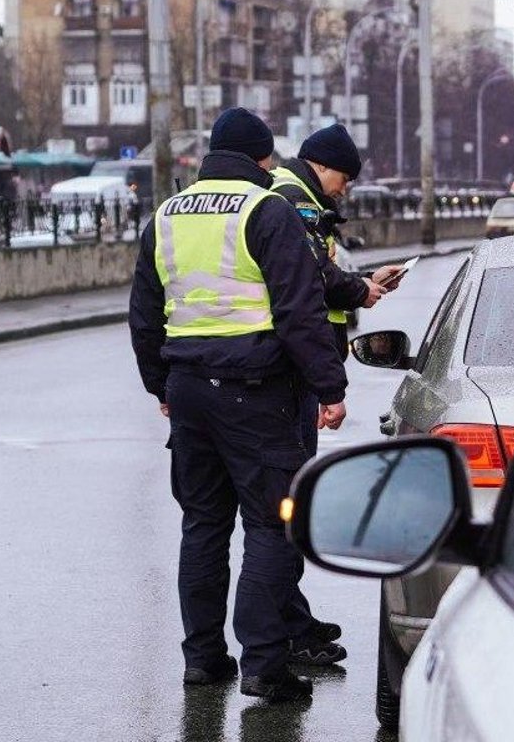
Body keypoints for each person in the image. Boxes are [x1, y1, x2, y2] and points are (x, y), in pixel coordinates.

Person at [129, 107, 349, 702]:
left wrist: (161, 388)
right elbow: (300, 311)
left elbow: (144, 316)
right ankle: (263, 666)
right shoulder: (267, 211)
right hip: (258, 396)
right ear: (261, 159)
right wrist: (330, 388)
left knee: (202, 525)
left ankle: (203, 659)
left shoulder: (166, 216)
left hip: (190, 394)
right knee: (270, 528)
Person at [270, 124, 403, 454]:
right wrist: (359, 291)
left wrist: (368, 278)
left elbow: (318, 267)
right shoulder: (295, 199)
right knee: (292, 472)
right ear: (321, 165)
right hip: (294, 360)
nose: (343, 190)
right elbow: (311, 274)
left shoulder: (302, 195)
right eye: (343, 179)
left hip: (298, 355)